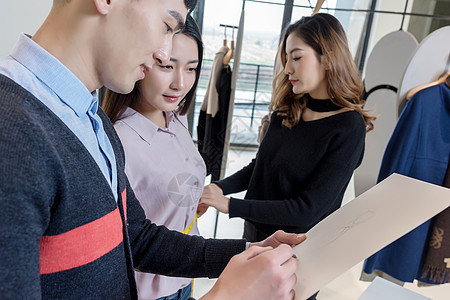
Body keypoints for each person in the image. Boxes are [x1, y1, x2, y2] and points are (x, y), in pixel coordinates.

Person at [0, 1, 306, 299]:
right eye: (166, 25)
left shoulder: (93, 121)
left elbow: (137, 236)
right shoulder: (11, 133)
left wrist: (246, 253)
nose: (164, 51)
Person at [199, 13, 376, 299]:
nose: (287, 67)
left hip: (299, 252)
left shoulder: (348, 127)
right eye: (286, 57)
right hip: (257, 236)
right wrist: (218, 188)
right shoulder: (289, 108)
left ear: (328, 58)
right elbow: (261, 166)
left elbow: (307, 208)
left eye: (296, 57)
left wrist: (231, 205)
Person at [102, 15, 204, 300]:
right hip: (149, 290)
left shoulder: (176, 118)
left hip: (185, 276)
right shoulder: (118, 140)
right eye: (167, 66)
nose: (180, 84)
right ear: (143, 61)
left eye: (192, 69)